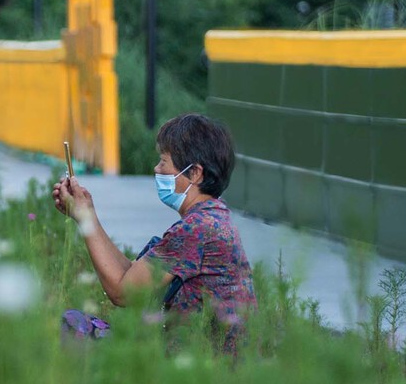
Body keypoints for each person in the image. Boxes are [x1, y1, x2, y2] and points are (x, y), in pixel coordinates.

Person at [53, 113, 256, 350]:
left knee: (73, 325)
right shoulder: (212, 218)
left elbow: (123, 293)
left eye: (163, 161)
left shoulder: (198, 229)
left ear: (194, 173)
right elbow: (130, 275)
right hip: (202, 353)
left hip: (198, 361)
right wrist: (87, 215)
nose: (156, 169)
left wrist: (86, 220)